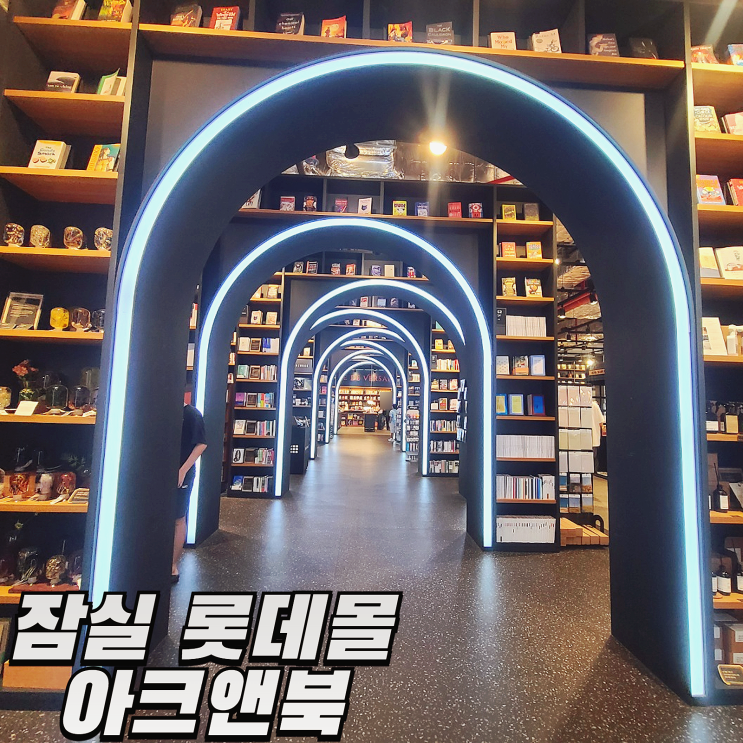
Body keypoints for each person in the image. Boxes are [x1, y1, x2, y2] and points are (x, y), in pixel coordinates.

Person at [173, 401, 207, 583]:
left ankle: (172, 565)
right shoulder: (163, 412)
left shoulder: (192, 414)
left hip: (182, 474)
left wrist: (183, 470)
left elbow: (201, 444)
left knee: (178, 518)